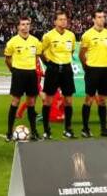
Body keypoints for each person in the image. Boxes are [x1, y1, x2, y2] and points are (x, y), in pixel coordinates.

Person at [39, 10, 76, 139]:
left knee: (68, 100)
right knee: (48, 100)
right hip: (53, 69)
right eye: (60, 19)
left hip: (66, 69)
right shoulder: (48, 36)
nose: (63, 21)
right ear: (55, 21)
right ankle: (46, 130)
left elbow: (72, 51)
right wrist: (48, 63)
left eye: (65, 19)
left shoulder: (71, 35)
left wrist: (64, 61)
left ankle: (68, 129)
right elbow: (41, 51)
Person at [3, 16, 41, 140]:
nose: (25, 27)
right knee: (15, 101)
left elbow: (36, 58)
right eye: (23, 24)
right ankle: (9, 132)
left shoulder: (35, 41)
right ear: (18, 27)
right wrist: (14, 70)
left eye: (27, 24)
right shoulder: (12, 42)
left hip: (31, 73)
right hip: (18, 73)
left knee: (31, 103)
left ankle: (34, 131)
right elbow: (7, 59)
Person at [78, 10, 107, 138]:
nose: (101, 19)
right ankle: (85, 128)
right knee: (89, 98)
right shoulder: (87, 35)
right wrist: (86, 67)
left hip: (105, 70)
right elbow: (81, 54)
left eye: (103, 17)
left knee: (103, 100)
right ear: (93, 19)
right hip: (92, 70)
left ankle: (103, 129)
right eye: (98, 17)